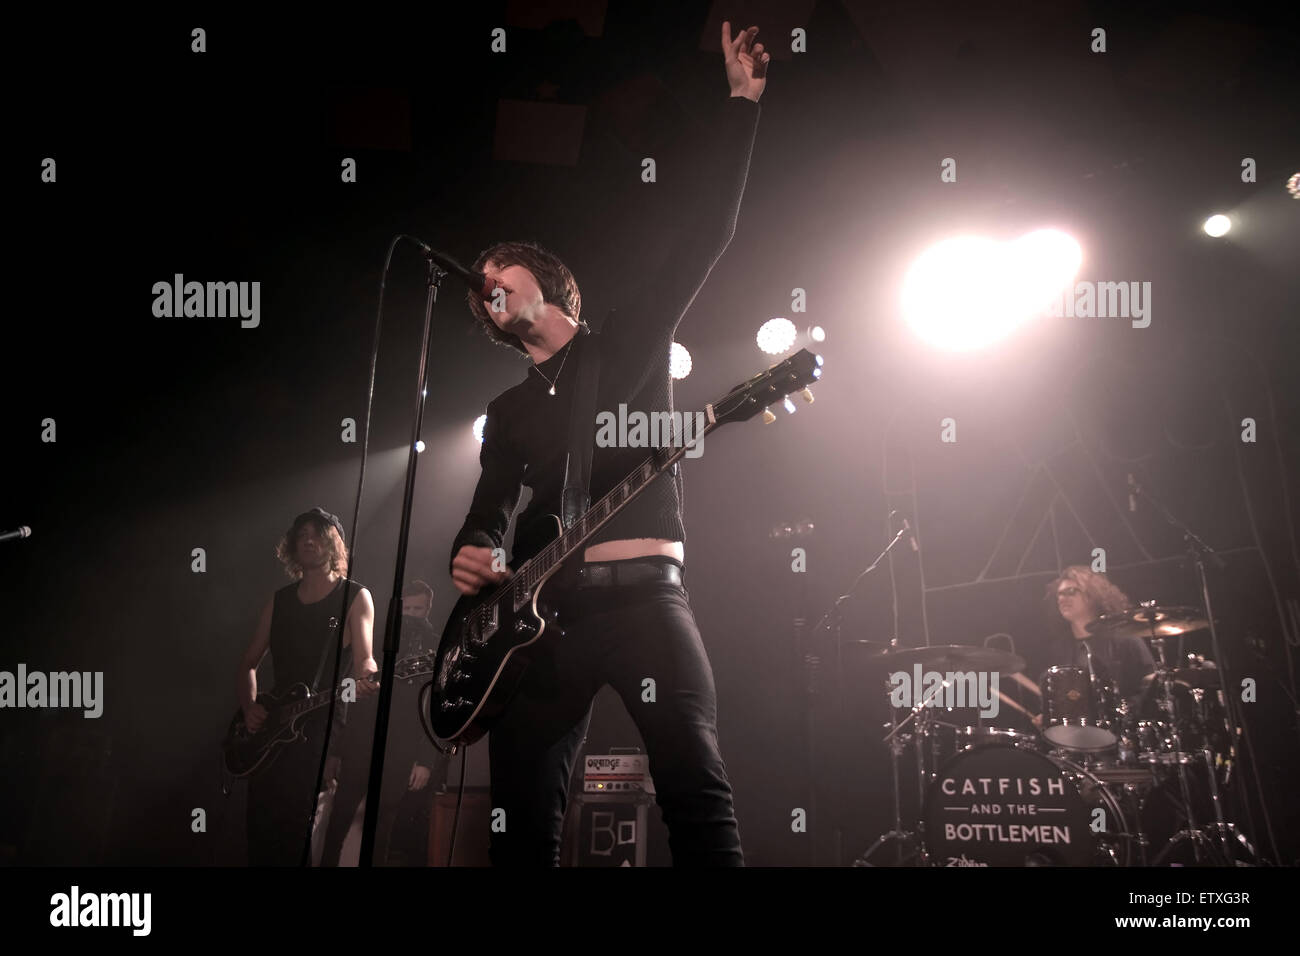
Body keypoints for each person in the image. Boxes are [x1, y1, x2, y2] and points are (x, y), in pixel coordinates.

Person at [447, 21, 769, 866]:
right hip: (539, 620)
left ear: (544, 284)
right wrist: (473, 550)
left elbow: (709, 230)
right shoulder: (508, 409)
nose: (488, 289)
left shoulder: (628, 341)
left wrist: (740, 106)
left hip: (645, 600)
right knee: (521, 821)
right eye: (482, 291)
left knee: (697, 794)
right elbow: (489, 510)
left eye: (500, 275)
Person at [236, 507, 377, 866]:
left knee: (298, 831)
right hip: (273, 729)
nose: (308, 540)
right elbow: (248, 663)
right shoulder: (279, 600)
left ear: (333, 543)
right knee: (260, 828)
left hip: (321, 728)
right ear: (292, 547)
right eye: (301, 535)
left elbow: (365, 658)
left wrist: (367, 673)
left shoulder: (355, 596)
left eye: (317, 533)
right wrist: (250, 706)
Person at [1029, 565, 1155, 731]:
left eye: (1071, 592)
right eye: (1059, 594)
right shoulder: (1058, 650)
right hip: (1077, 740)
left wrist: (1127, 711)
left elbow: (1151, 681)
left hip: (1124, 734)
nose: (1062, 598)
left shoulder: (1124, 638)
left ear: (1093, 595)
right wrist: (1050, 717)